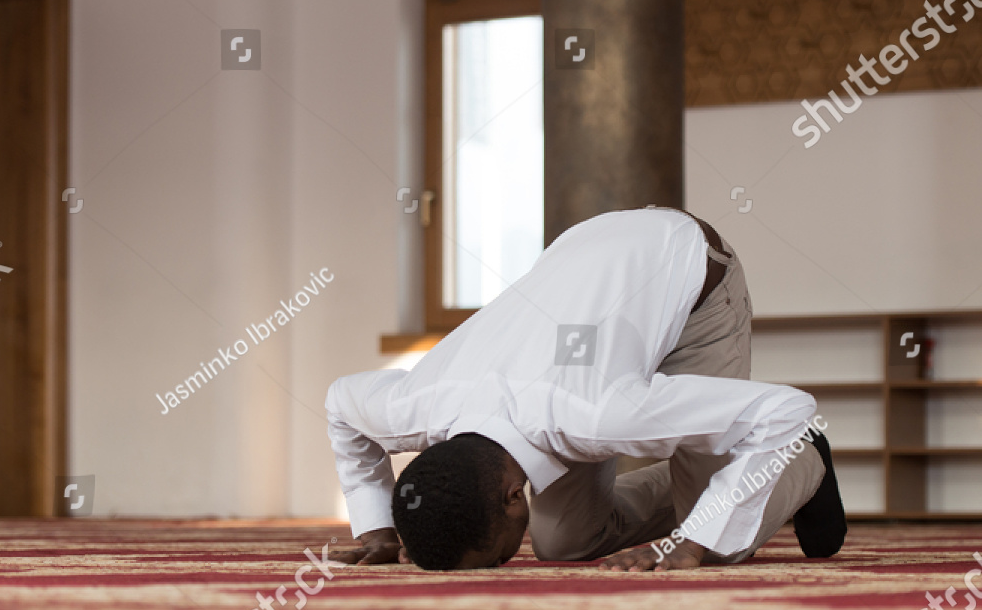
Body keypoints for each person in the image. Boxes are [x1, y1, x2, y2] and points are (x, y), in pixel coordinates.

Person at [326, 206, 845, 571]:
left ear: (514, 497)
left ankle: (802, 464)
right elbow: (341, 406)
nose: (511, 558)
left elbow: (789, 409)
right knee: (565, 543)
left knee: (718, 538)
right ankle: (704, 469)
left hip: (691, 278)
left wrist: (696, 539)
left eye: (502, 557)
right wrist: (375, 525)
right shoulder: (410, 405)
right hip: (588, 262)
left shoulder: (597, 413)